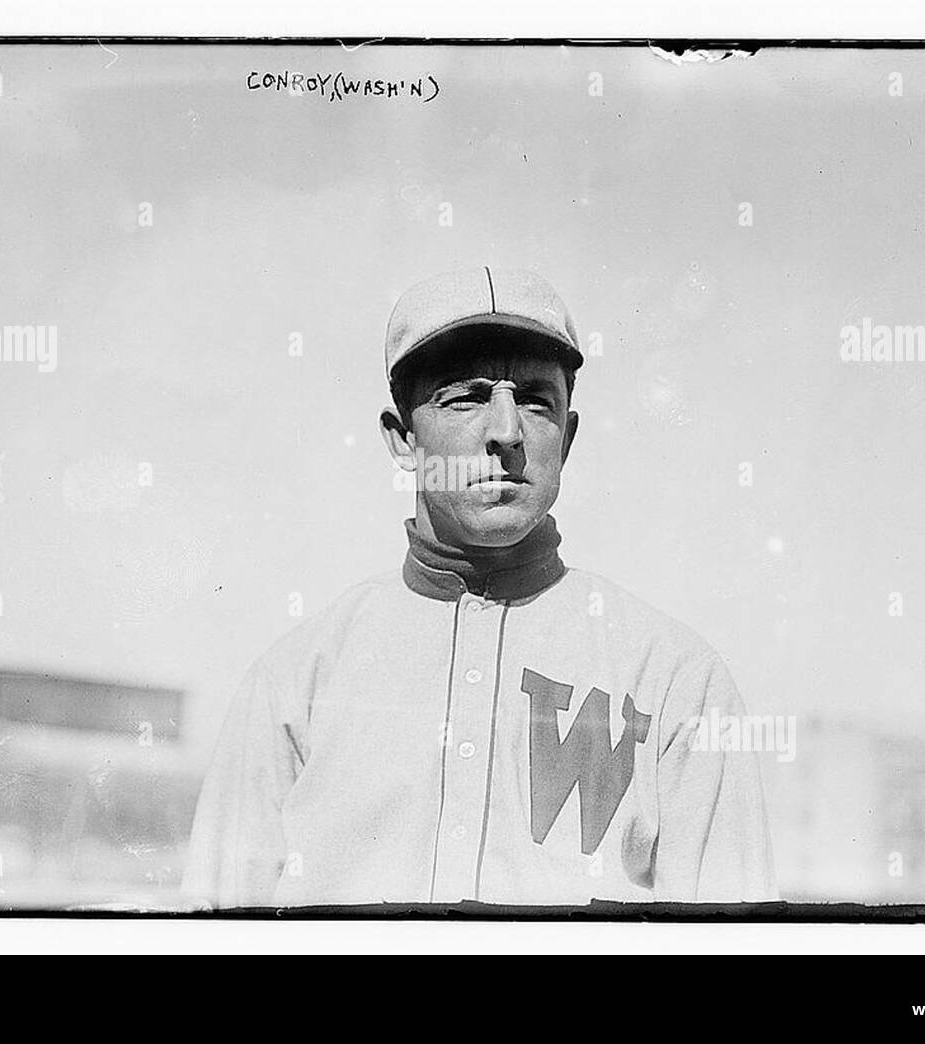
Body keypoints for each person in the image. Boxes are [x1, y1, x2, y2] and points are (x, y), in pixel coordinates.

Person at [183, 266, 778, 907]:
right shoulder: (297, 679)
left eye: (534, 399)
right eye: (463, 397)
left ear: (568, 437)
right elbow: (214, 939)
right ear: (402, 438)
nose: (506, 433)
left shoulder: (674, 678)